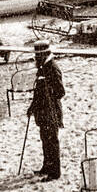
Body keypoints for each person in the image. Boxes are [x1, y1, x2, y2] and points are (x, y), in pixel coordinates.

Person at [29, 40, 64, 181]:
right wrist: (32, 107)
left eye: (38, 56)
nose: (36, 59)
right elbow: (38, 92)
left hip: (51, 112)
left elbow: (60, 92)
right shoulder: (42, 67)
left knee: (52, 141)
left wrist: (49, 89)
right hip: (42, 112)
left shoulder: (52, 67)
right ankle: (46, 167)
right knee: (45, 140)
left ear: (45, 54)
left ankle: (55, 172)